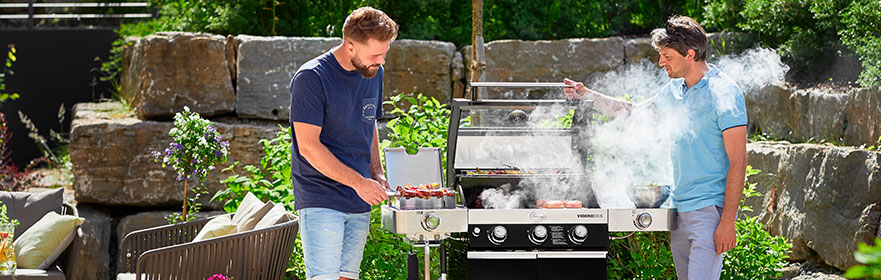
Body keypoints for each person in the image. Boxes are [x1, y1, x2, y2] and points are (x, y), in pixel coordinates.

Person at [563, 15, 747, 280]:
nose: (661, 62)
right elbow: (633, 113)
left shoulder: (724, 92)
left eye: (667, 56)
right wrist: (588, 95)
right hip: (679, 210)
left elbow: (738, 161)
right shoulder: (675, 90)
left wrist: (728, 221)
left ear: (690, 54)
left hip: (708, 212)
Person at [289, 7, 397, 280]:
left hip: (358, 196)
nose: (381, 61)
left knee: (348, 276)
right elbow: (309, 147)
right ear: (350, 47)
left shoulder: (373, 72)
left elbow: (369, 122)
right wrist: (360, 183)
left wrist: (376, 173)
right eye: (375, 55)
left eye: (384, 54)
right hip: (321, 195)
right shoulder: (311, 78)